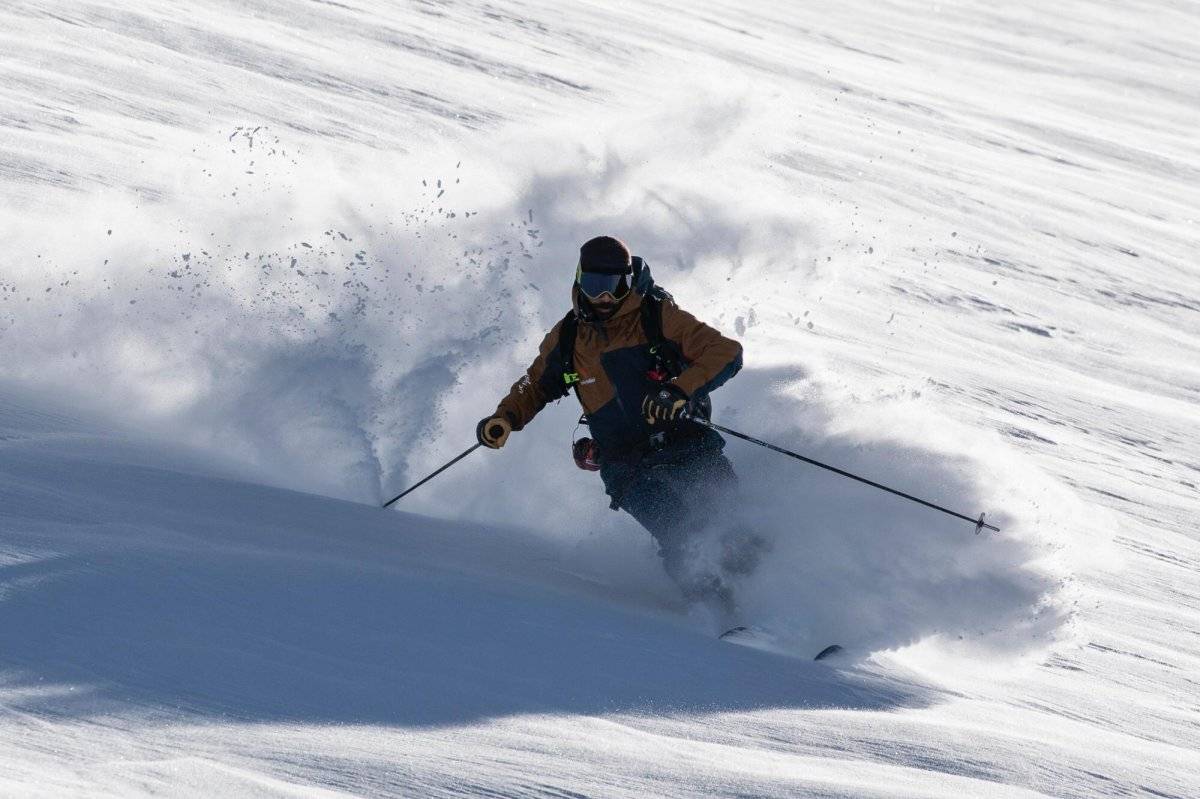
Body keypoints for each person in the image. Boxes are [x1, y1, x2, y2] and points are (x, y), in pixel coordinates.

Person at [476, 235, 755, 626]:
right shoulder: (569, 337)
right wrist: (505, 418)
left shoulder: (656, 315)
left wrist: (677, 390)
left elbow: (725, 352)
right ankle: (721, 616)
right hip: (626, 463)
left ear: (628, 281)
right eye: (593, 287)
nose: (603, 298)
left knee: (730, 519)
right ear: (578, 281)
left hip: (684, 441)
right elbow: (535, 384)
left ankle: (769, 602)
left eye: (614, 287)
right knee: (678, 529)